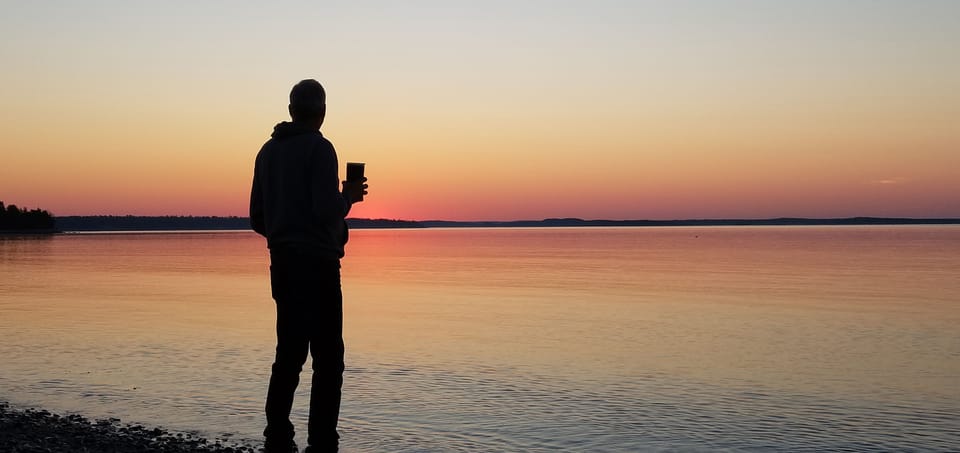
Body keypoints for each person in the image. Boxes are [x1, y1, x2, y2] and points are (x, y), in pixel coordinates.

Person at [250, 79, 368, 453]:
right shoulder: (320, 148)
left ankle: (277, 431)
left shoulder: (267, 152)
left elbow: (257, 217)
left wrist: (284, 234)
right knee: (329, 358)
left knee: (289, 351)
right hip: (317, 265)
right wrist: (347, 198)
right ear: (323, 111)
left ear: (290, 110)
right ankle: (322, 439)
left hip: (283, 263)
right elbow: (324, 209)